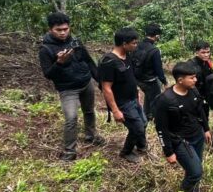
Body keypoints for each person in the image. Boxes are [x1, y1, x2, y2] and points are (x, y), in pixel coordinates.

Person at [38, 12, 104, 161]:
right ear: (50, 29)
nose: (63, 32)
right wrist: (60, 62)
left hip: (86, 82)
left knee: (89, 111)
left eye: (65, 29)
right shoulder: (46, 49)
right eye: (58, 30)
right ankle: (69, 151)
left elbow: (88, 61)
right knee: (71, 118)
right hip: (67, 89)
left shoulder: (75, 41)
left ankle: (91, 136)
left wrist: (99, 80)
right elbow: (48, 74)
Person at [153, 61, 212, 192]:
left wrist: (206, 128)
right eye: (192, 77)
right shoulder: (165, 100)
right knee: (196, 172)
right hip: (180, 141)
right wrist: (168, 152)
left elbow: (200, 111)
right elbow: (161, 128)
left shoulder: (193, 91)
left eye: (195, 77)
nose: (195, 80)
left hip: (197, 136)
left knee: (194, 168)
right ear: (180, 80)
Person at [99, 27, 147, 163]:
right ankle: (126, 152)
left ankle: (141, 145)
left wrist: (137, 93)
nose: (136, 45)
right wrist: (115, 110)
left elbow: (130, 77)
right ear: (124, 43)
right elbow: (106, 88)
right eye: (134, 43)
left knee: (143, 123)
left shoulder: (127, 56)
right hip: (122, 102)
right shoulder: (109, 61)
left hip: (133, 98)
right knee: (137, 127)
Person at [133, 23, 167, 121]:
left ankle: (147, 115)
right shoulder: (154, 50)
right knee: (155, 100)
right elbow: (159, 69)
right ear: (157, 36)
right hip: (149, 80)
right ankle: (158, 120)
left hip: (138, 79)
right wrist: (165, 82)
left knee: (148, 96)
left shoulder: (137, 46)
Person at [191, 41, 213, 117]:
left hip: (205, 96)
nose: (206, 55)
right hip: (194, 97)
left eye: (208, 52)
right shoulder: (191, 65)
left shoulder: (207, 63)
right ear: (197, 52)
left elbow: (211, 75)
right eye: (203, 52)